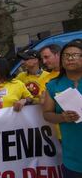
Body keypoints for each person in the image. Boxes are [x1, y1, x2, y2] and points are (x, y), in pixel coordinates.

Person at [42, 39, 82, 177]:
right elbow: (47, 114)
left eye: (75, 55)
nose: (70, 59)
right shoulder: (53, 85)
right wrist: (62, 117)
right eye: (66, 55)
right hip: (73, 158)